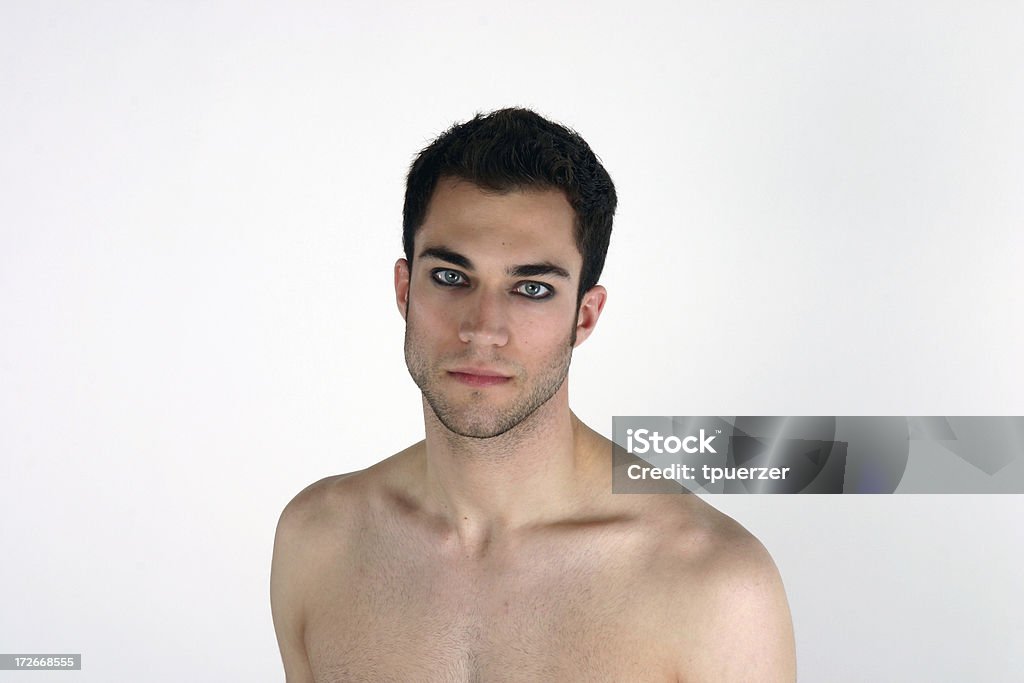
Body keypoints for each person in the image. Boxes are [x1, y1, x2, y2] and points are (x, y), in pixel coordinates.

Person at [270, 108, 796, 682]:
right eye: (451, 276)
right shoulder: (318, 542)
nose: (483, 328)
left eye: (532, 288)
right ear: (404, 289)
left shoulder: (714, 589)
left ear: (585, 317)